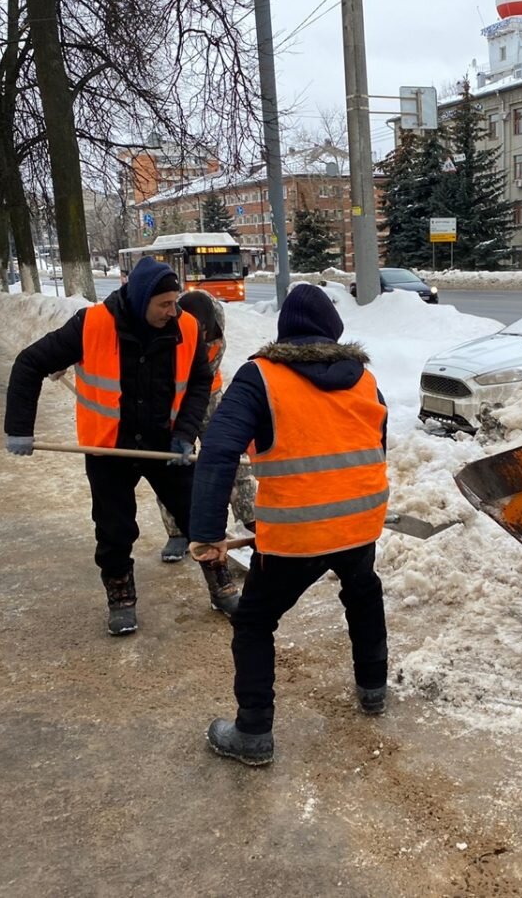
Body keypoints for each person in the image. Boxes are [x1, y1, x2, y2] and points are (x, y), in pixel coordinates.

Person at [188, 283, 389, 766]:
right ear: (332, 332)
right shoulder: (363, 378)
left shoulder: (260, 376)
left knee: (255, 621)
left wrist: (207, 532)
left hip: (297, 533)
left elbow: (217, 451)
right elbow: (375, 442)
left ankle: (253, 732)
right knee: (363, 592)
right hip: (360, 522)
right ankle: (373, 688)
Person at [4, 255, 233, 636]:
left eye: (175, 302)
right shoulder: (92, 325)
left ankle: (221, 583)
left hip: (164, 444)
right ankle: (121, 596)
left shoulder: (187, 328)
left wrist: (185, 433)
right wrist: (19, 428)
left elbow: (199, 382)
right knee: (114, 529)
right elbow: (30, 363)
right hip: (109, 448)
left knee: (201, 516)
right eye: (164, 304)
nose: (172, 311)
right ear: (141, 300)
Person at [153, 290, 255, 613]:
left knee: (231, 457)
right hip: (173, 398)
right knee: (175, 465)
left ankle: (250, 516)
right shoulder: (171, 325)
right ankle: (178, 532)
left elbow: (212, 359)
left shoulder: (215, 318)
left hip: (209, 391)